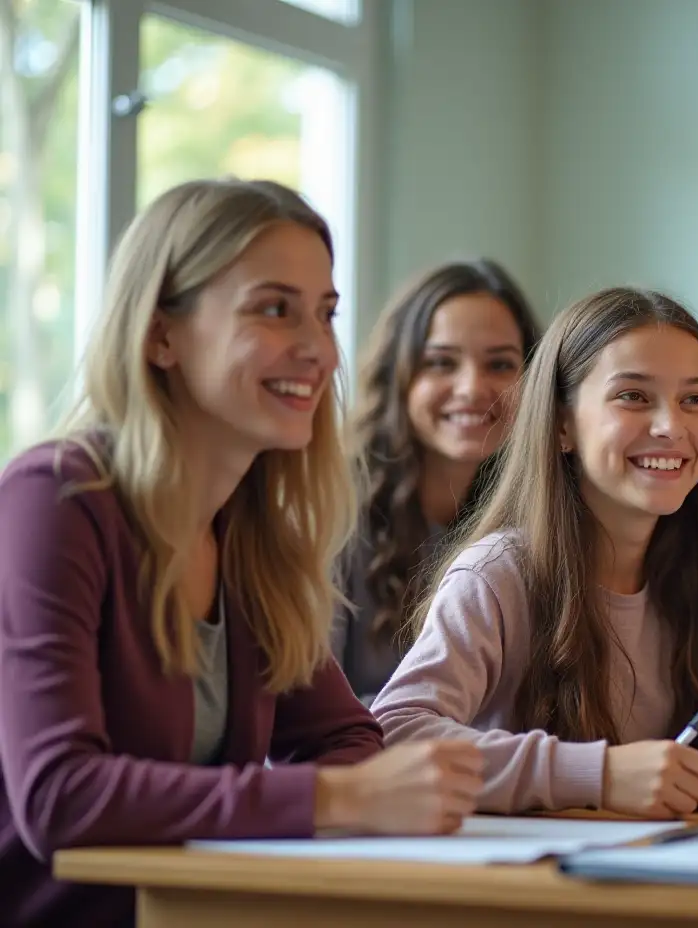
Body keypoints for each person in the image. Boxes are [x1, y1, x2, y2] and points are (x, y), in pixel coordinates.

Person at [0, 178, 483, 928]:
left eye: (325, 314)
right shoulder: (55, 499)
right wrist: (339, 798)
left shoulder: (251, 538)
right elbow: (59, 794)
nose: (318, 348)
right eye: (273, 309)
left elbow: (345, 735)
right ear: (160, 335)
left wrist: (371, 788)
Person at [371, 288, 698, 817]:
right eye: (634, 396)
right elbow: (398, 732)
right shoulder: (496, 576)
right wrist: (595, 775)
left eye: (694, 399)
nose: (672, 426)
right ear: (562, 425)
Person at [336, 259, 541, 703]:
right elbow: (300, 725)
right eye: (441, 362)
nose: (471, 387)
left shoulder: (535, 521)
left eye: (501, 364)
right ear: (399, 376)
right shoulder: (332, 512)